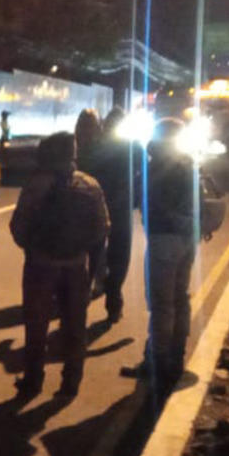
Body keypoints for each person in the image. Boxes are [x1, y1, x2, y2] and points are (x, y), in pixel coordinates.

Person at [10, 132, 110, 398]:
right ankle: (71, 382)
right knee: (75, 326)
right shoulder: (89, 184)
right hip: (76, 265)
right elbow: (102, 228)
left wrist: (33, 247)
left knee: (36, 325)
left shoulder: (36, 184)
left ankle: (33, 381)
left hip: (40, 265)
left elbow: (18, 225)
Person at [121, 118, 203, 401]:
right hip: (187, 239)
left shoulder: (156, 165)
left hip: (163, 240)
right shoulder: (188, 165)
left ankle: (157, 363)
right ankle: (176, 357)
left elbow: (137, 197)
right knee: (180, 298)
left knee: (161, 304)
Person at [97, 107, 139, 323]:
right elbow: (146, 170)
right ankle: (113, 300)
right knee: (120, 256)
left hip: (96, 207)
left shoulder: (97, 145)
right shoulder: (132, 147)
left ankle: (78, 304)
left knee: (94, 253)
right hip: (120, 208)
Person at [75, 108, 106, 295]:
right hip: (90, 200)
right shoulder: (101, 147)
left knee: (88, 246)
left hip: (83, 200)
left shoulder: (77, 145)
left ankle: (86, 283)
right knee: (96, 245)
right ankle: (94, 281)